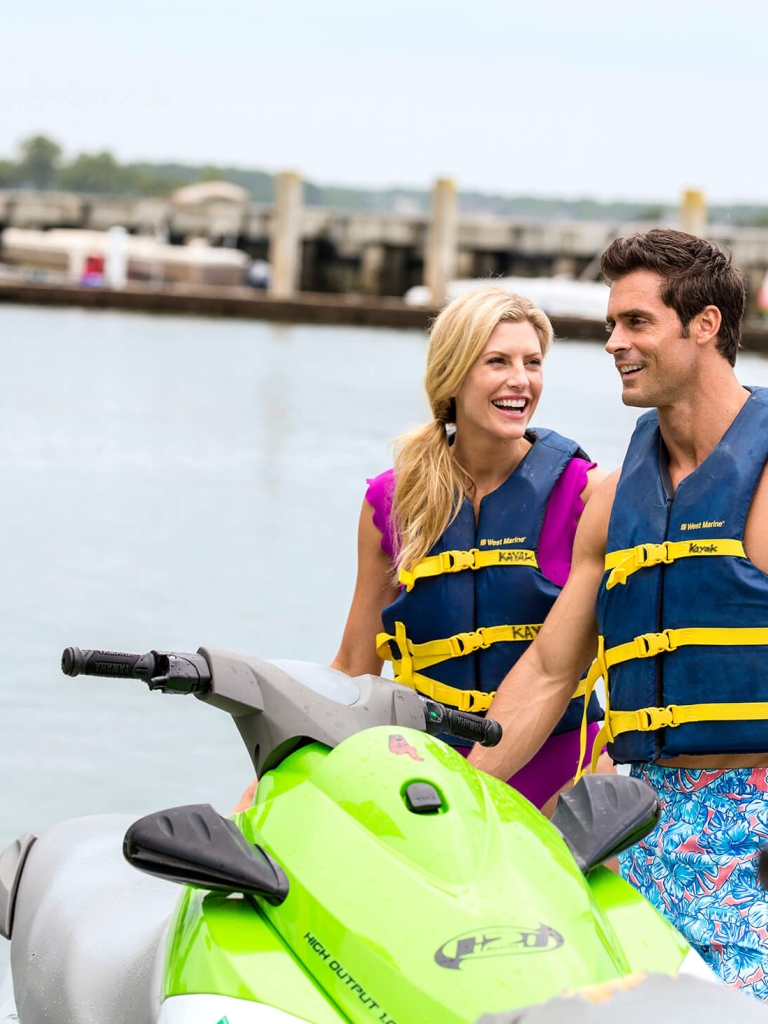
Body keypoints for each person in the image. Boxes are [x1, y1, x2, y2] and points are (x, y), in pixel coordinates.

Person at [469, 229, 768, 998]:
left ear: (704, 325)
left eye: (636, 323)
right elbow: (546, 672)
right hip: (640, 819)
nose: (612, 342)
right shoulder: (613, 499)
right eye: (611, 324)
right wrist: (462, 799)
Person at [331, 285, 608, 814]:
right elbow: (355, 666)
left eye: (533, 362)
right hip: (423, 773)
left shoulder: (585, 495)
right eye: (497, 362)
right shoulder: (392, 501)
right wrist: (280, 763)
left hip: (563, 772)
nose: (520, 381)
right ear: (453, 374)